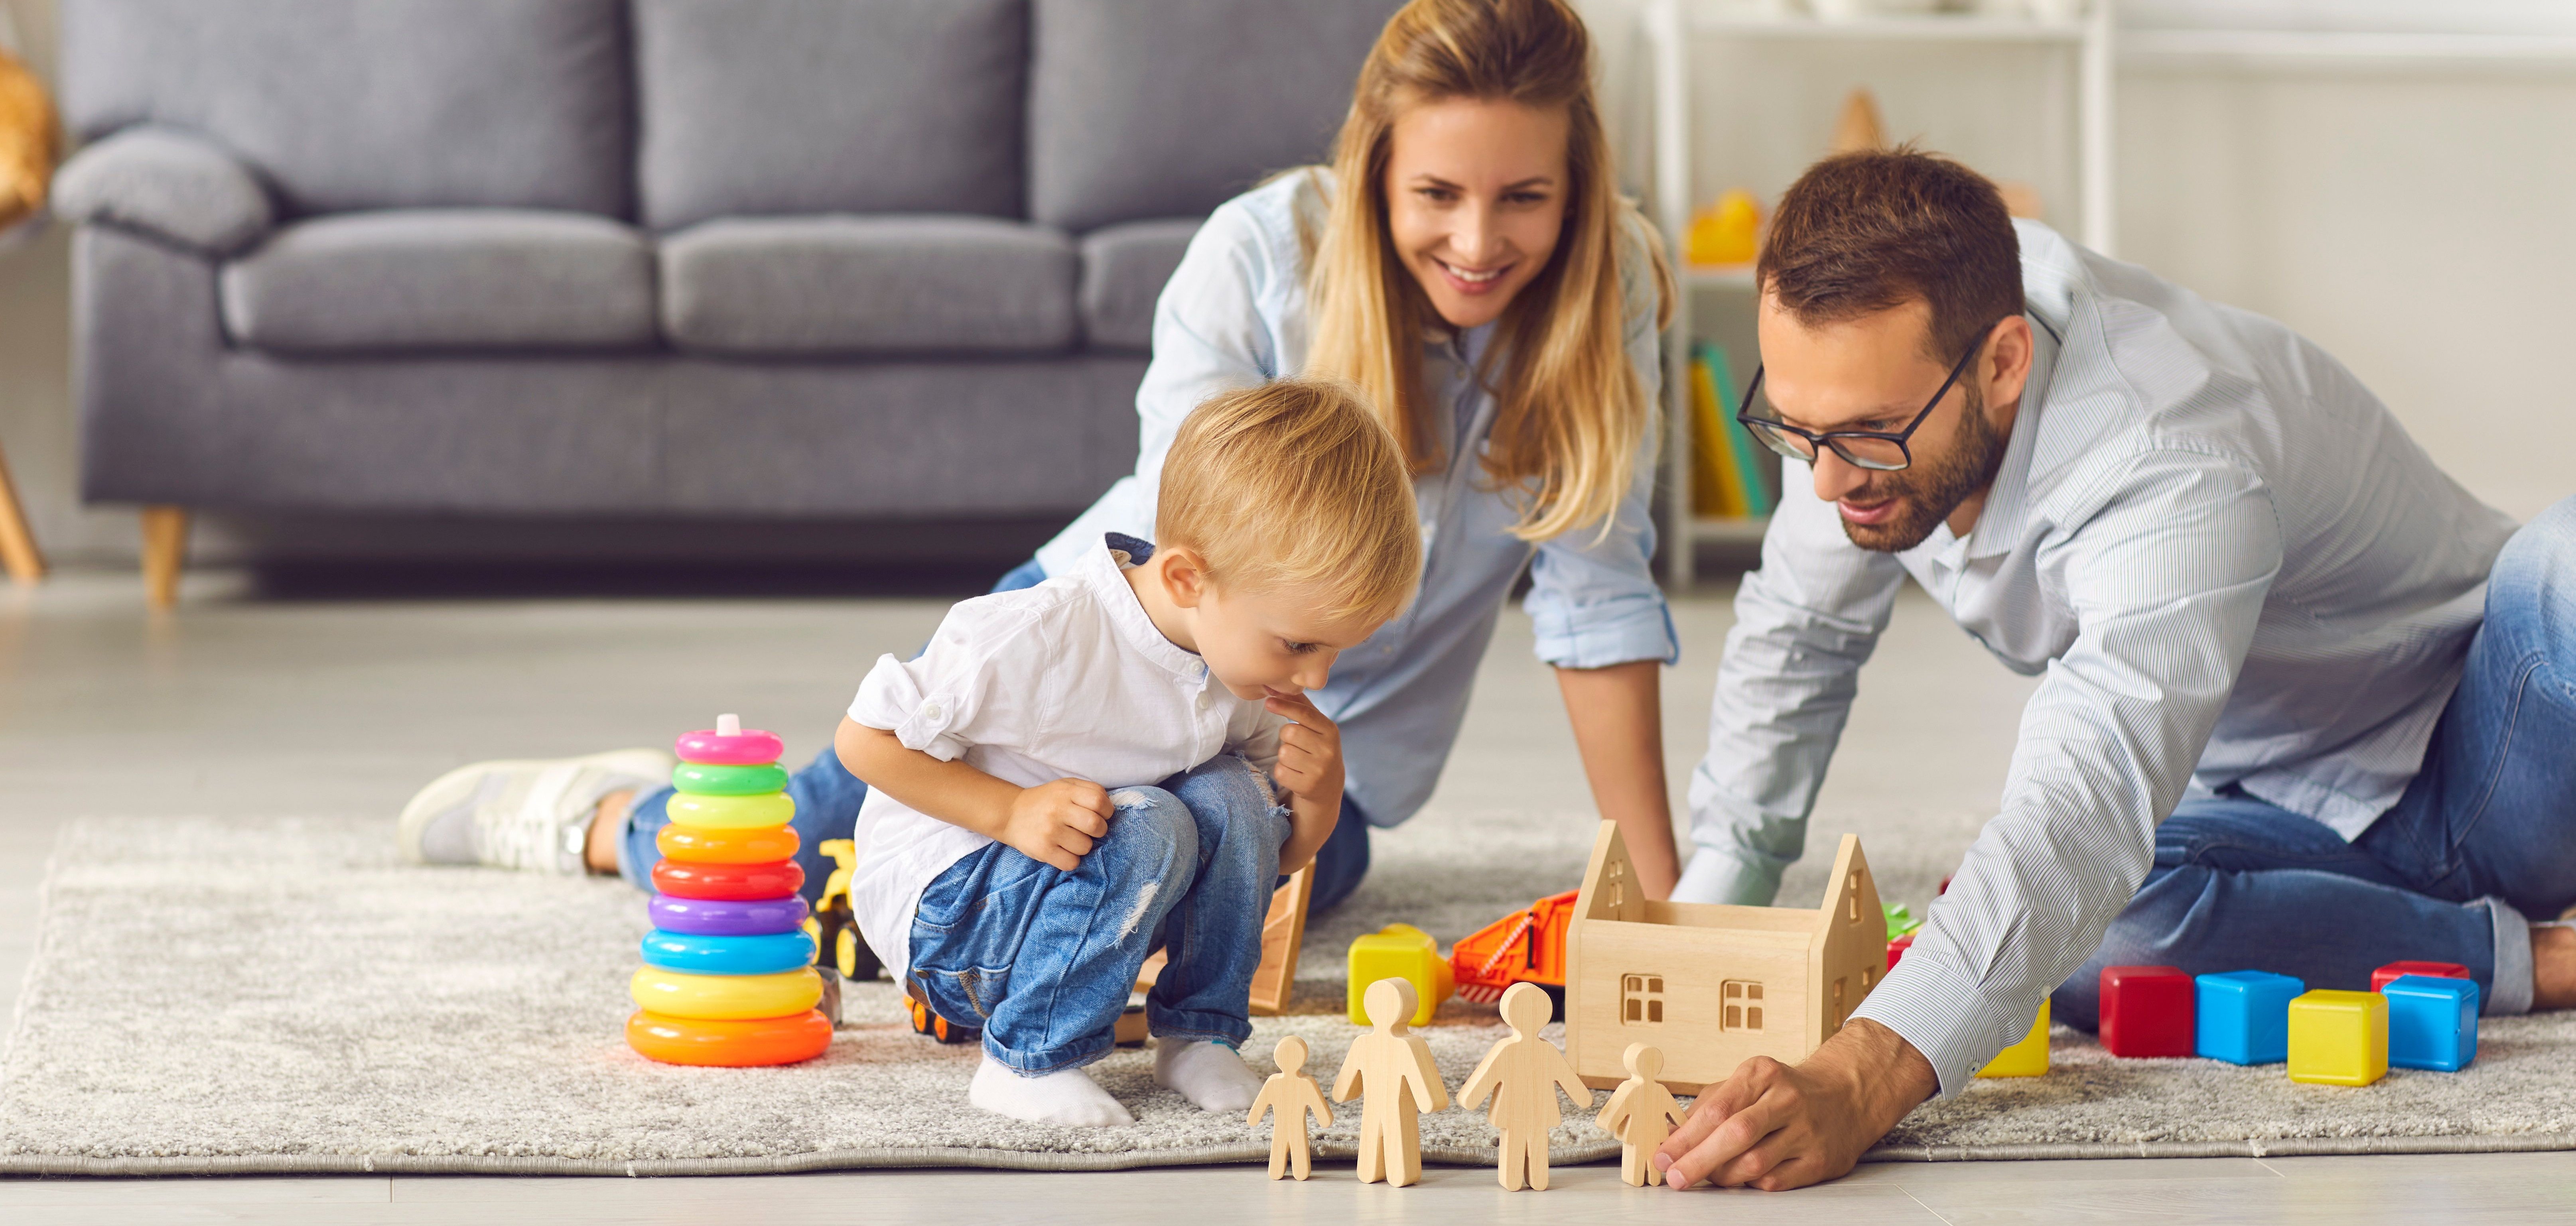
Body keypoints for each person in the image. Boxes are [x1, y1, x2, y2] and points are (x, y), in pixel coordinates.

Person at [394, 0, 1684, 922]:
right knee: (769, 855)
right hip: (1094, 650)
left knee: (1179, 909)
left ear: (1578, 187)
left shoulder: (1607, 282)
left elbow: (1595, 591)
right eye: (1438, 195)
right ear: (1373, 174)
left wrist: (1663, 899)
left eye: (1527, 196)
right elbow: (1201, 558)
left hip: (1318, 742)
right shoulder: (1256, 255)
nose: (1479, 241)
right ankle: (610, 818)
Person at [1652, 146, 2575, 1192]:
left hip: (2494, 746)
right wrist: (1708, 926)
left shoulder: (2169, 458)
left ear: (2003, 363)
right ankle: (2531, 957)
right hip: (2293, 813)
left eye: (1865, 437)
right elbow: (1799, 632)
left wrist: (1863, 1073)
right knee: (2080, 932)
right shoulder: (1893, 367)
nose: (1821, 481)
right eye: (1796, 429)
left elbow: (2082, 797)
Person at [832, 380, 1420, 1127]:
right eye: (1299, 645)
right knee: (1150, 820)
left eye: (1334, 651)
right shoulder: (1037, 635)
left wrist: (1321, 798)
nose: (1315, 678)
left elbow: (1268, 864)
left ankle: (1201, 1035)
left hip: (1085, 902)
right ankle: (1025, 1059)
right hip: (949, 919)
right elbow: (863, 739)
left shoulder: (1238, 660)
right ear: (1186, 578)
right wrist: (1009, 811)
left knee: (1234, 796)